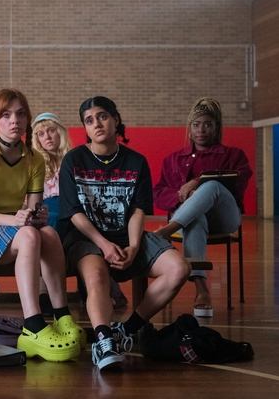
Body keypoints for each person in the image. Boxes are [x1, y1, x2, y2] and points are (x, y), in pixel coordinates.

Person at [57, 96, 190, 370]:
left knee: (179, 269)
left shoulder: (136, 161)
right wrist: (104, 244)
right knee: (96, 276)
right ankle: (103, 341)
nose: (97, 124)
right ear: (85, 127)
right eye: (89, 120)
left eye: (102, 116)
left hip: (127, 235)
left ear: (116, 119)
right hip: (86, 237)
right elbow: (74, 213)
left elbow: (138, 211)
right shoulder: (73, 160)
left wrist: (133, 245)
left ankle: (126, 330)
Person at [0, 89, 80, 363]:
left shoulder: (34, 158)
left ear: (27, 119)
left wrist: (37, 216)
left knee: (48, 233)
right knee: (28, 236)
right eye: (6, 115)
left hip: (15, 228)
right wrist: (15, 220)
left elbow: (33, 209)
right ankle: (33, 324)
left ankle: (62, 316)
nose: (14, 120)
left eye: (21, 114)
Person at [153, 97, 251, 317]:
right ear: (189, 128)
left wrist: (198, 183)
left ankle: (167, 230)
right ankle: (202, 290)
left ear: (216, 127)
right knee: (194, 217)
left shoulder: (234, 155)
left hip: (224, 218)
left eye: (208, 124)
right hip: (190, 220)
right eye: (196, 124)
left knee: (212, 185)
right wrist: (184, 196)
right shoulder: (173, 159)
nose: (201, 130)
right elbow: (158, 193)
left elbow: (238, 183)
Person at [32, 112, 127, 309]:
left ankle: (91, 285)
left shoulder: (77, 159)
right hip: (49, 218)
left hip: (77, 214)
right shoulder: (35, 164)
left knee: (77, 222)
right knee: (50, 218)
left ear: (60, 133)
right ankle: (46, 289)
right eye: (41, 134)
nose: (47, 137)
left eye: (51, 131)